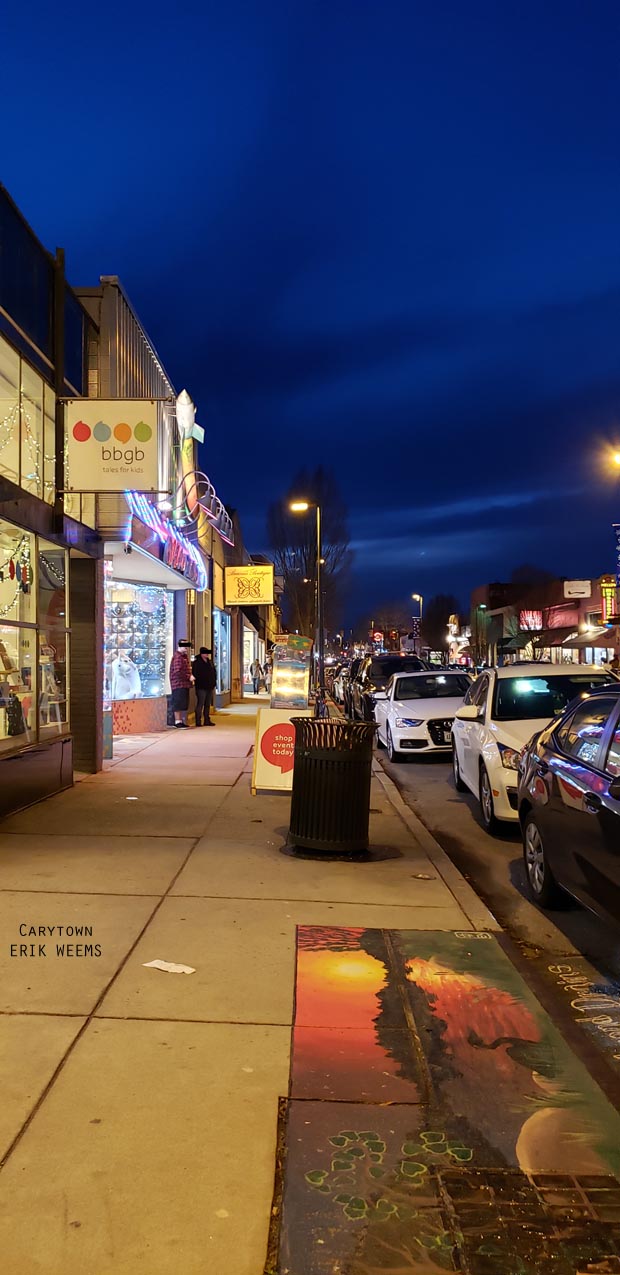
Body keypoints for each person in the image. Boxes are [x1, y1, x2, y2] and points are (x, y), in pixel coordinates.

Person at [169, 639, 193, 727]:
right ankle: (177, 721)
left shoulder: (183, 657)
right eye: (184, 645)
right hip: (178, 684)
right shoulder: (178, 657)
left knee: (182, 702)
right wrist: (188, 676)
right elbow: (178, 671)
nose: (186, 647)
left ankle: (180, 721)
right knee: (178, 703)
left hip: (183, 684)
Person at [192, 647, 217, 725]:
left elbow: (213, 672)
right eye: (205, 653)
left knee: (207, 704)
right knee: (201, 703)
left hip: (210, 686)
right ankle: (198, 721)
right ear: (201, 653)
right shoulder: (197, 662)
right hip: (201, 686)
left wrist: (213, 682)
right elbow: (195, 674)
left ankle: (207, 720)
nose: (207, 654)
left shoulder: (210, 662)